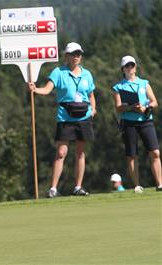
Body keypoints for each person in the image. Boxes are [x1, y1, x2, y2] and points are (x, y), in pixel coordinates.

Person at [28, 42, 96, 198]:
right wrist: (35, 89)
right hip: (65, 117)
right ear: (66, 56)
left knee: (80, 153)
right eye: (73, 54)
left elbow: (91, 95)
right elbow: (47, 88)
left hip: (84, 116)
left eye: (78, 54)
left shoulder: (87, 74)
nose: (76, 57)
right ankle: (53, 188)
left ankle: (78, 187)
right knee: (61, 152)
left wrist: (93, 109)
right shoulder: (58, 72)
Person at [111, 55, 162, 193]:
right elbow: (118, 107)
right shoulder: (118, 87)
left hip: (145, 121)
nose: (130, 68)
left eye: (132, 65)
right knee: (132, 155)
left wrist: (145, 108)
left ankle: (160, 184)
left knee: (155, 152)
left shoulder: (144, 83)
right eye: (127, 66)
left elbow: (154, 102)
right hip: (129, 123)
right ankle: (137, 185)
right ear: (123, 69)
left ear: (135, 67)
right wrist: (131, 107)